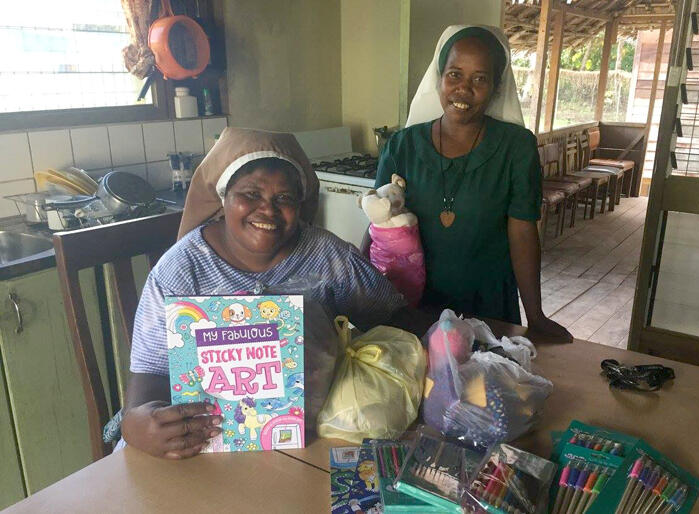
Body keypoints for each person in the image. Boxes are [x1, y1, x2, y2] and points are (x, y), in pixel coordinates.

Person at [121, 127, 406, 459]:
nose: (267, 210)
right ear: (223, 197)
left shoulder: (327, 256)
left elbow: (394, 316)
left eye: (284, 198)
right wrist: (138, 425)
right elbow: (146, 387)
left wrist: (451, 337)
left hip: (311, 444)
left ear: (300, 204)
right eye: (250, 194)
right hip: (206, 451)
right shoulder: (180, 271)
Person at [371, 25, 572, 341]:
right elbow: (378, 225)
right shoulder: (402, 146)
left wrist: (536, 316)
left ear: (495, 87)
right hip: (413, 307)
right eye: (454, 74)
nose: (463, 88)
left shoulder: (516, 148)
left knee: (487, 388)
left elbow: (522, 231)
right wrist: (356, 295)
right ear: (439, 78)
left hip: (488, 310)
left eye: (480, 78)